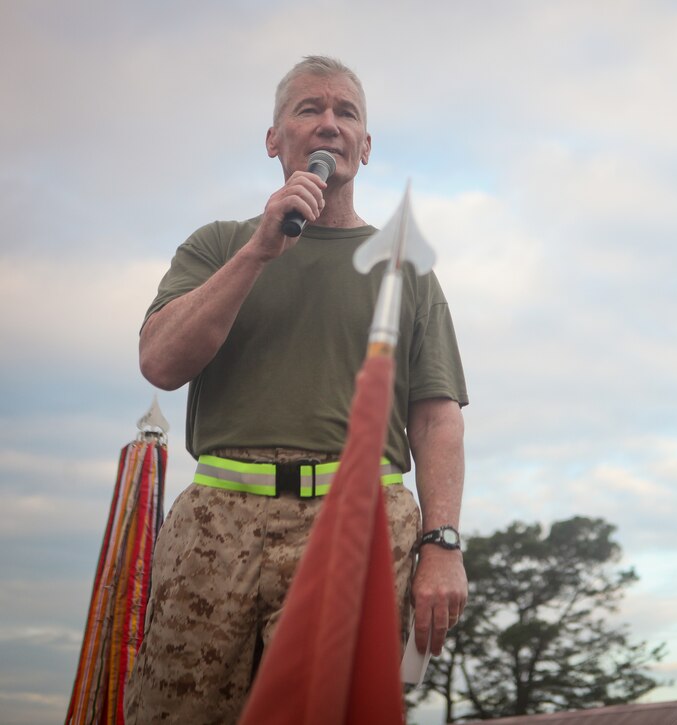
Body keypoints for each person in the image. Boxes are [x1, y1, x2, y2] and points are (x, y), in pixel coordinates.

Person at [124, 56, 469, 723]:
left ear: (366, 147)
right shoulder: (219, 244)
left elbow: (437, 419)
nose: (329, 125)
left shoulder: (407, 268)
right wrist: (258, 250)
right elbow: (161, 363)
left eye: (347, 113)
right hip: (217, 521)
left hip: (358, 521)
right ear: (275, 139)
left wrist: (442, 544)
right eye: (309, 109)